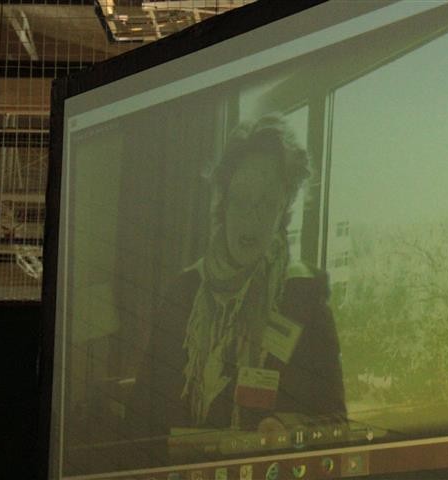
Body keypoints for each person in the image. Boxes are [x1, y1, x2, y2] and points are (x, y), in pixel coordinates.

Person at [131, 114, 346, 452]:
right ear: (224, 202)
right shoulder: (184, 291)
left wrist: (287, 430)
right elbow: (141, 414)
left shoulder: (304, 298)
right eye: (242, 199)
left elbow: (336, 423)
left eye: (267, 203)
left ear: (283, 211)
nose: (252, 218)